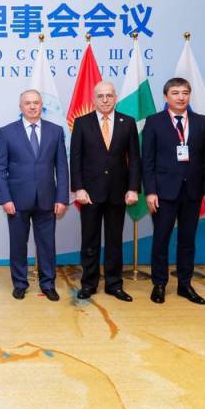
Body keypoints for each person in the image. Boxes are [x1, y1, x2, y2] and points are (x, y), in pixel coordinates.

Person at [142, 77, 205, 305]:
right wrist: (150, 191)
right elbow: (147, 161)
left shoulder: (201, 122)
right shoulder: (154, 122)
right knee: (161, 239)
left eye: (185, 92)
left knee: (187, 240)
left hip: (192, 192)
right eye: (175, 93)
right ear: (166, 97)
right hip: (163, 193)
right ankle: (159, 284)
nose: (181, 97)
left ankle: (185, 284)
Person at [0, 89, 68, 302]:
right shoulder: (7, 132)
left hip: (47, 199)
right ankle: (19, 283)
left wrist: (62, 198)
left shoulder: (56, 131)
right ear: (21, 107)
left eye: (36, 102)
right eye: (28, 103)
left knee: (47, 245)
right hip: (16, 201)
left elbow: (62, 167)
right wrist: (5, 198)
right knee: (18, 244)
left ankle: (48, 284)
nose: (32, 106)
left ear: (41, 105)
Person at [69, 81, 140, 302]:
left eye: (109, 95)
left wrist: (133, 188)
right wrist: (78, 188)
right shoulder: (82, 123)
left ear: (115, 98)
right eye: (100, 96)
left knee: (114, 242)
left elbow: (134, 159)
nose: (105, 100)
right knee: (90, 242)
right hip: (89, 194)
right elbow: (76, 159)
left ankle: (114, 284)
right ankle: (88, 284)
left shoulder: (128, 122)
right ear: (94, 99)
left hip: (118, 193)